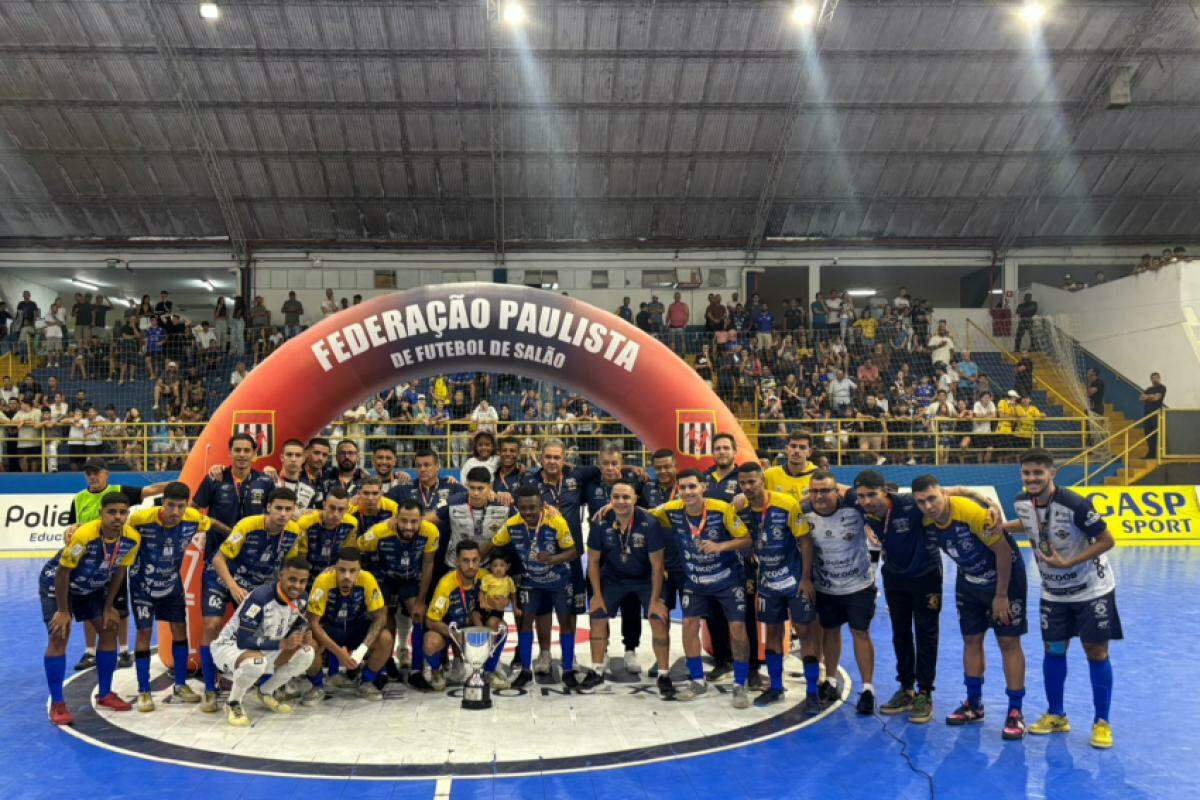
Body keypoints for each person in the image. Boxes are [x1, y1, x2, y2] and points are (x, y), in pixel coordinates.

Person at [1006, 449, 1120, 749]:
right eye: (1026, 473)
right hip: (1053, 592)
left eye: (1037, 473)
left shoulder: (1075, 504)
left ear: (1051, 474)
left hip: (1091, 589)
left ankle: (1102, 722)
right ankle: (1057, 715)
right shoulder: (1021, 502)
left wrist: (1069, 563)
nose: (1031, 479)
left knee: (1096, 651)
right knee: (1053, 650)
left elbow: (1108, 540)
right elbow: (1029, 525)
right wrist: (1002, 526)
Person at [911, 475, 1027, 740]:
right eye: (921, 502)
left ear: (943, 494)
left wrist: (1001, 595)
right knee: (971, 640)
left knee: (1008, 643)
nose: (928, 506)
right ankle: (974, 704)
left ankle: (1015, 712)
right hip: (969, 581)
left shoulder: (971, 513)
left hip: (1005, 580)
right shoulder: (926, 517)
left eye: (932, 498)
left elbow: (1004, 553)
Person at [649, 469, 753, 706]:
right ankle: (697, 680)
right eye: (683, 487)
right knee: (688, 624)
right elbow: (644, 515)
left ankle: (740, 684)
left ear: (703, 487)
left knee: (737, 628)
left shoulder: (721, 508)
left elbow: (747, 539)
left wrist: (721, 546)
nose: (688, 492)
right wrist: (614, 508)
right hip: (695, 580)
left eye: (692, 487)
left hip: (727, 580)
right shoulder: (670, 510)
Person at [199, 488, 305, 712]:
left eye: (288, 509)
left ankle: (264, 684)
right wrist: (233, 586)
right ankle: (210, 688)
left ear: (294, 510)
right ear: (268, 507)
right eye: (278, 508)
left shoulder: (294, 532)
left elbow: (287, 566)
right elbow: (218, 559)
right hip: (223, 577)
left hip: (255, 584)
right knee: (211, 625)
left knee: (272, 628)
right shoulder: (248, 525)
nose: (283, 514)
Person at [40, 492, 140, 724]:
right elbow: (62, 572)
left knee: (109, 629)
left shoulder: (132, 539)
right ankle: (57, 703)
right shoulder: (85, 535)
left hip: (92, 586)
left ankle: (105, 694)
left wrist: (109, 606)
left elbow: (119, 571)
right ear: (101, 514)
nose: (117, 517)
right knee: (58, 635)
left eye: (122, 512)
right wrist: (64, 611)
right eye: (111, 512)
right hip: (58, 586)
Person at [126, 483, 227, 711]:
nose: (175, 512)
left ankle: (180, 685)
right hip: (142, 586)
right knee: (144, 633)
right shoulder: (141, 518)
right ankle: (144, 691)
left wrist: (235, 536)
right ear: (163, 502)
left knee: (180, 632)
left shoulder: (192, 518)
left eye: (180, 507)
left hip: (172, 585)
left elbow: (212, 523)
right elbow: (115, 526)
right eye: (170, 505)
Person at [850, 471, 940, 724]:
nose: (866, 501)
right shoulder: (860, 506)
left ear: (884, 491)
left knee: (926, 633)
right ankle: (906, 689)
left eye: (872, 495)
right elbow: (837, 490)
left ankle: (925, 692)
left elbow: (948, 496)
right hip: (894, 577)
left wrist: (983, 502)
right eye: (862, 496)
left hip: (926, 576)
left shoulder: (911, 504)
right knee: (900, 633)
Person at [734, 463, 820, 711]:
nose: (748, 487)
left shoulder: (786, 503)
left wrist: (805, 578)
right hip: (767, 584)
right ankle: (776, 687)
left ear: (762, 479)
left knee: (805, 633)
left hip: (794, 581)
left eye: (752, 481)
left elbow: (805, 541)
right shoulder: (742, 510)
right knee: (771, 634)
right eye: (743, 483)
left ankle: (812, 691)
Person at [66, 461, 168, 670]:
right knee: (88, 608)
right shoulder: (78, 499)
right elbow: (71, 529)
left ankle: (123, 651)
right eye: (88, 474)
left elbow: (151, 490)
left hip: (115, 560)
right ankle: (90, 652)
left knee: (119, 608)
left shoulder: (119, 492)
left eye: (96, 473)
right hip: (88, 563)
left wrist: (179, 482)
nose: (92, 477)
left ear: (106, 474)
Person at [483, 486, 580, 689]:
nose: (528, 512)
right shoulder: (511, 524)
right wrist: (474, 561)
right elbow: (493, 544)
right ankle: (526, 670)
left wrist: (552, 558)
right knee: (525, 623)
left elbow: (572, 552)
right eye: (523, 508)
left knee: (565, 623)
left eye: (532, 508)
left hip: (559, 581)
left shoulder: (556, 522)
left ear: (542, 506)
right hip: (531, 582)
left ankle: (568, 670)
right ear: (517, 506)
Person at [582, 481, 669, 694]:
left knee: (659, 619)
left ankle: (664, 675)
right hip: (614, 578)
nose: (621, 502)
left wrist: (656, 600)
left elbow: (657, 565)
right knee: (597, 614)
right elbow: (592, 562)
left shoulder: (649, 523)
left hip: (646, 579)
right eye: (616, 497)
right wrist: (596, 595)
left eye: (626, 497)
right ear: (610, 500)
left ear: (635, 499)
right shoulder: (601, 523)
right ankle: (597, 670)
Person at [803, 470, 877, 715]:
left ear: (837, 492)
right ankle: (831, 680)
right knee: (829, 631)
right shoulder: (803, 513)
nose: (820, 496)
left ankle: (867, 690)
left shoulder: (855, 507)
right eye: (815, 491)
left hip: (859, 585)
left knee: (860, 632)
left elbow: (886, 498)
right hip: (826, 587)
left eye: (825, 490)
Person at [210, 557, 314, 726]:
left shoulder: (302, 599)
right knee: (256, 662)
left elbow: (296, 624)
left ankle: (266, 692)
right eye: (292, 579)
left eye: (303, 581)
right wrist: (283, 644)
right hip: (231, 647)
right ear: (280, 576)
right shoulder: (260, 598)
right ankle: (233, 703)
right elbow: (243, 641)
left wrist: (302, 637)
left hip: (268, 645)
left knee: (307, 653)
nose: (297, 586)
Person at [357, 499, 440, 685]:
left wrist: (420, 601)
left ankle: (416, 670)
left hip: (410, 578)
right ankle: (386, 667)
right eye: (403, 521)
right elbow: (356, 549)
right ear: (395, 519)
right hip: (383, 578)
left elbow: (428, 564)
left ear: (421, 519)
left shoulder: (431, 532)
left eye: (414, 521)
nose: (408, 526)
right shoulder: (379, 532)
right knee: (385, 618)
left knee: (418, 614)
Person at [304, 546, 393, 702]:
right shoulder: (322, 581)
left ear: (359, 570)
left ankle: (366, 682)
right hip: (329, 628)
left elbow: (380, 616)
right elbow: (313, 623)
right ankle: (317, 686)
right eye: (342, 570)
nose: (347, 576)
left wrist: (362, 649)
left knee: (386, 639)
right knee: (309, 645)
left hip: (356, 628)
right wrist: (339, 652)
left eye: (353, 571)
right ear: (335, 568)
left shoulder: (367, 579)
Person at [191, 433, 276, 556]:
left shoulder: (265, 481)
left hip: (252, 553)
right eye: (237, 450)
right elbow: (192, 509)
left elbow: (274, 513)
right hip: (217, 551)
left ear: (254, 454)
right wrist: (207, 526)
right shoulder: (214, 478)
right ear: (230, 453)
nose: (242, 454)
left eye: (247, 450)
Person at [421, 540, 485, 691]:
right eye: (465, 561)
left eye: (475, 560)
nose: (471, 566)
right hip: (448, 631)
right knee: (430, 642)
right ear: (456, 562)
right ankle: (436, 671)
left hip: (469, 627)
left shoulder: (485, 578)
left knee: (497, 626)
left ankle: (489, 670)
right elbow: (431, 621)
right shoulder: (446, 585)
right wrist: (456, 635)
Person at [296, 487, 358, 578]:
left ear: (347, 509)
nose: (336, 514)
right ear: (324, 505)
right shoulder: (306, 523)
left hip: (335, 574)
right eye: (332, 508)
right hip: (306, 573)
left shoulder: (351, 524)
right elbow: (300, 557)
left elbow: (347, 555)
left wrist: (335, 568)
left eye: (341, 509)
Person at [477, 552, 518, 689]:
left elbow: (513, 595)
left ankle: (491, 665)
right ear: (490, 567)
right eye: (495, 566)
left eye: (501, 565)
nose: (498, 569)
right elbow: (482, 592)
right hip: (486, 612)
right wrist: (484, 602)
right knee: (491, 635)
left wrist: (515, 608)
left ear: (508, 567)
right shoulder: (487, 578)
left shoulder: (509, 580)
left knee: (500, 632)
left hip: (498, 613)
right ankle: (486, 667)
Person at [388, 448, 466, 513]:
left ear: (437, 467)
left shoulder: (452, 487)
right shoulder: (404, 489)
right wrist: (395, 475)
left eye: (427, 465)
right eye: (418, 466)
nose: (422, 469)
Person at [274, 438, 319, 512]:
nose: (293, 459)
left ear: (303, 459)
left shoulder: (310, 490)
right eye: (289, 454)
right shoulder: (271, 483)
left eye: (298, 455)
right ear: (282, 457)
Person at [1139, 372, 1166, 458]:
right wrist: (1150, 396)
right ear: (1151, 379)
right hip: (1147, 415)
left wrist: (1147, 397)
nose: (1154, 379)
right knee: (1147, 434)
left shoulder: (1162, 388)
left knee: (1155, 434)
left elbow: (1156, 398)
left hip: (1156, 415)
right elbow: (1141, 398)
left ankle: (1156, 454)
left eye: (1156, 378)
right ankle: (1150, 453)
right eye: (1153, 378)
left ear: (1159, 378)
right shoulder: (1148, 389)